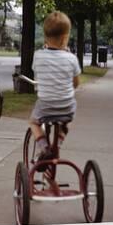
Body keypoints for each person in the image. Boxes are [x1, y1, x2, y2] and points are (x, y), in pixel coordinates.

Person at [29, 11, 81, 169]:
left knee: (33, 123)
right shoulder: (72, 59)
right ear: (66, 37)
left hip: (46, 105)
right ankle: (57, 145)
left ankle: (45, 148)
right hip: (66, 106)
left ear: (45, 37)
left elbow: (37, 76)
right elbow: (76, 83)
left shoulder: (38, 56)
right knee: (66, 123)